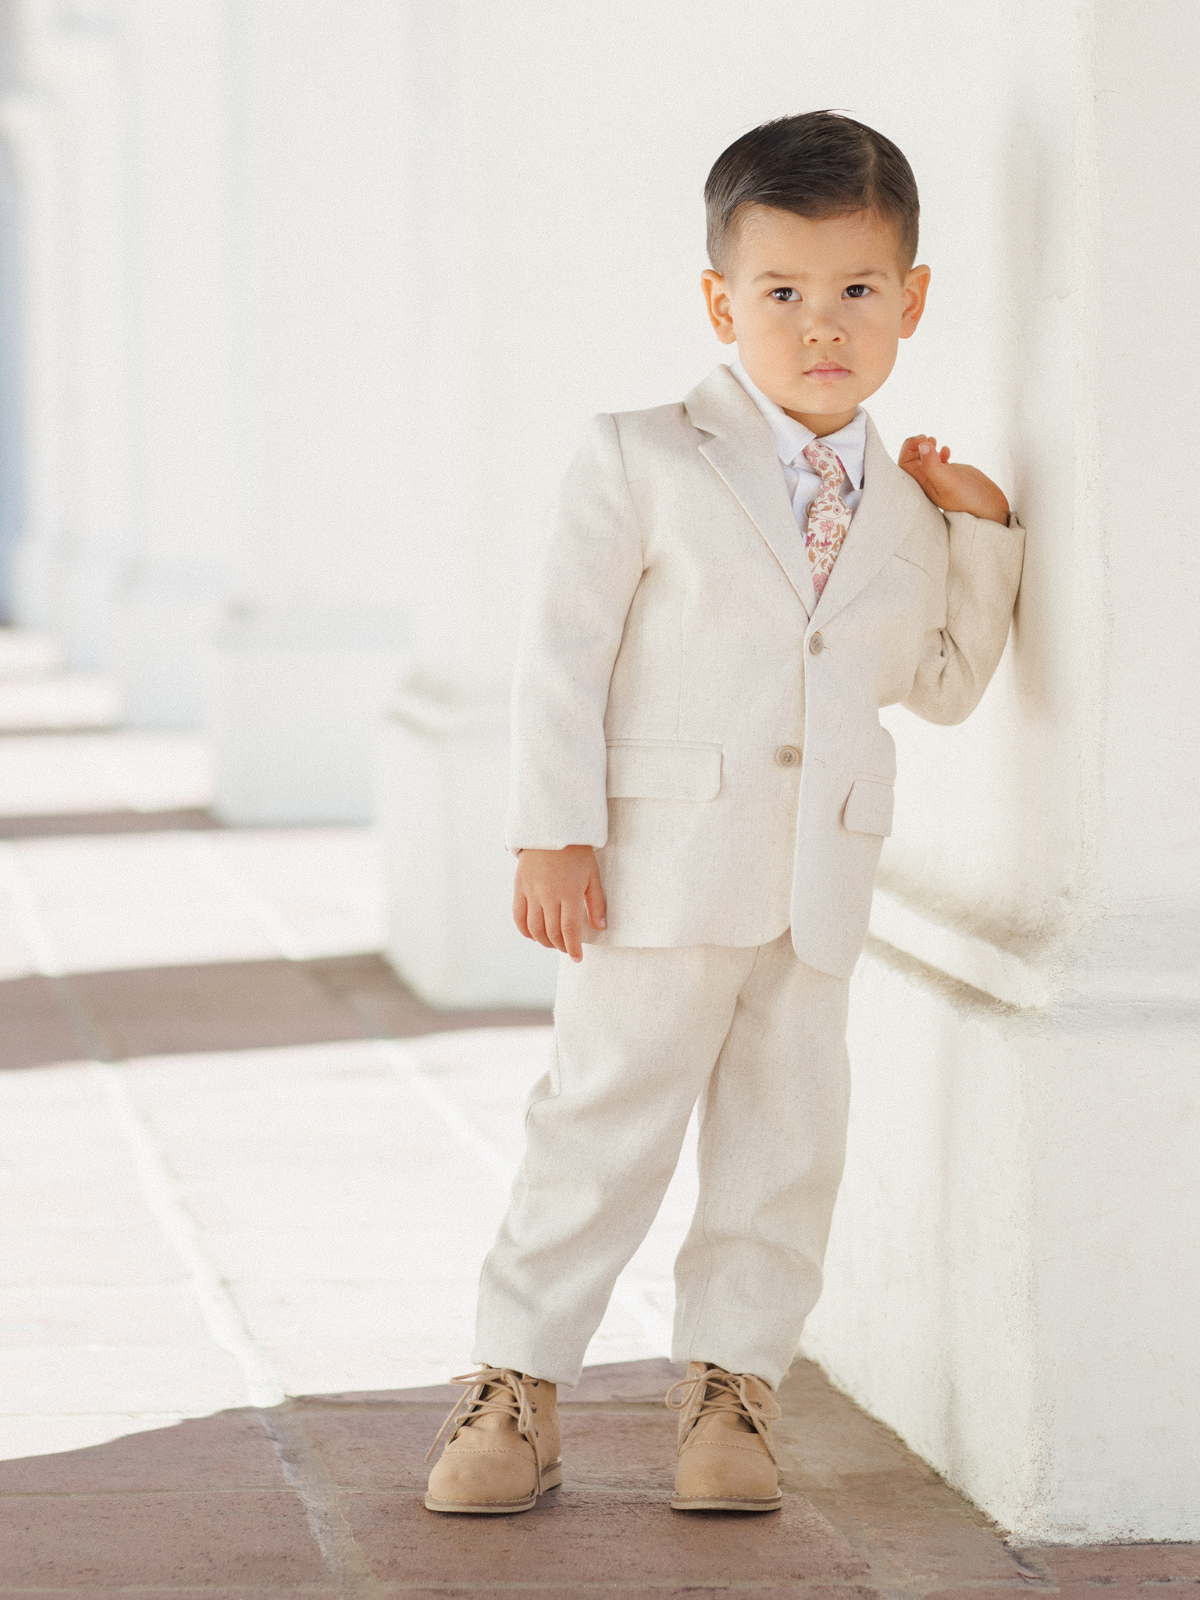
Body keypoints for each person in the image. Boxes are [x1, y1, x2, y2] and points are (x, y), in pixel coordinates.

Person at [424, 110, 1024, 1516]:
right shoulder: (640, 455)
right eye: (784, 294)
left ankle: (733, 1394)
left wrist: (985, 530)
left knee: (784, 1144)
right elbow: (564, 654)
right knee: (600, 1124)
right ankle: (516, 1386)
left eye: (859, 291)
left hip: (818, 887)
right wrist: (551, 831)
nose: (824, 326)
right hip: (657, 870)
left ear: (912, 301)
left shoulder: (917, 515)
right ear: (721, 302)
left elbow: (939, 687)